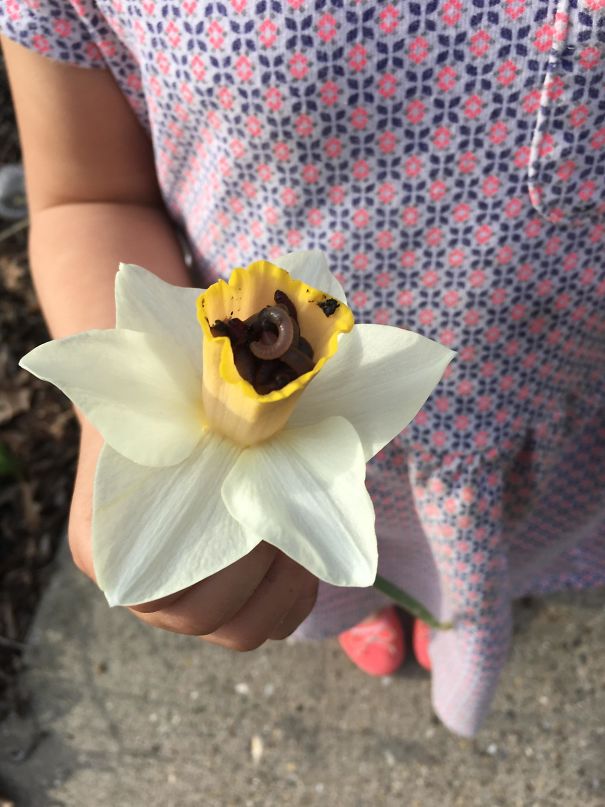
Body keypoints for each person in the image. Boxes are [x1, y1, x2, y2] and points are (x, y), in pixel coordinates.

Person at [2, 0, 604, 738]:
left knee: (487, 553)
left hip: (554, 402)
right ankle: (380, 602)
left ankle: (461, 600)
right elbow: (88, 194)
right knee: (339, 566)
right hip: (318, 469)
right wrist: (130, 461)